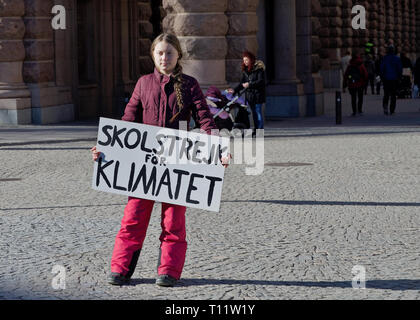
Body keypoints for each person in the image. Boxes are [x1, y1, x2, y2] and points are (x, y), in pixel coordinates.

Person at [91, 33, 230, 287]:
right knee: (133, 217)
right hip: (144, 163)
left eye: (169, 53)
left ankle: (168, 270)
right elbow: (128, 121)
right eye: (159, 53)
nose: (164, 58)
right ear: (153, 55)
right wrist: (106, 148)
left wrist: (219, 149)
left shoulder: (189, 85)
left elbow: (205, 120)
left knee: (173, 221)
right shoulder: (143, 83)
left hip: (177, 162)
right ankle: (120, 268)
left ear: (178, 56)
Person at [227, 51, 266, 134]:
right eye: (244, 60)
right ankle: (256, 130)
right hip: (250, 96)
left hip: (258, 95)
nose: (244, 62)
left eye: (246, 60)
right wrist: (234, 90)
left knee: (258, 112)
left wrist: (249, 84)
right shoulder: (246, 71)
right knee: (254, 113)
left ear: (251, 60)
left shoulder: (259, 69)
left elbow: (261, 81)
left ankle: (259, 131)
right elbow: (242, 83)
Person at [380, 45, 402, 115]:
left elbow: (381, 68)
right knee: (393, 95)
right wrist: (399, 77)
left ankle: (385, 106)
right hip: (394, 79)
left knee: (386, 94)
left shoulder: (385, 58)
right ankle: (392, 110)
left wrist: (382, 77)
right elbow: (399, 69)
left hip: (386, 79)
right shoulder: (397, 59)